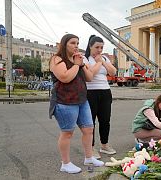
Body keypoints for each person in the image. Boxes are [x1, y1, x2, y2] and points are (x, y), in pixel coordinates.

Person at [49, 34, 104, 174]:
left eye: (78, 43)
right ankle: (65, 163)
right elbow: (65, 77)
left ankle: (89, 157)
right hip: (64, 101)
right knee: (67, 132)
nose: (76, 46)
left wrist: (82, 64)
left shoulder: (78, 60)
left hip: (82, 100)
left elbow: (90, 78)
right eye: (72, 43)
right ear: (64, 44)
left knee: (88, 129)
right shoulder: (57, 59)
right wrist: (76, 65)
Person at [83, 35, 117, 157]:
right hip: (91, 92)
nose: (99, 50)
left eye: (101, 47)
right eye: (97, 47)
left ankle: (104, 145)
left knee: (105, 120)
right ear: (90, 46)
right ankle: (91, 148)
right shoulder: (84, 58)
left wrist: (102, 61)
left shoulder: (104, 58)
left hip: (105, 92)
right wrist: (98, 63)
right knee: (90, 121)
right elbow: (90, 73)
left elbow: (113, 72)